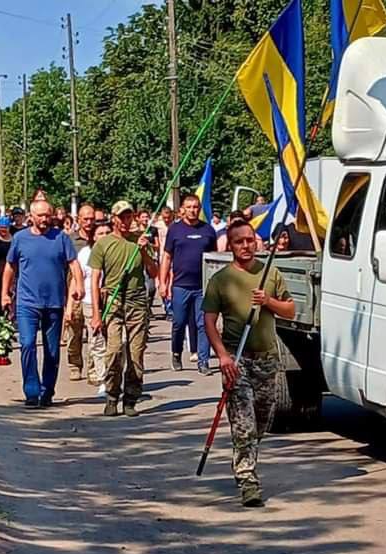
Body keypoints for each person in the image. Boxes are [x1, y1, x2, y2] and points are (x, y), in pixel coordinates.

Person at [203, 220, 295, 507]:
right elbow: (208, 320)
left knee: (261, 421)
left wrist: (268, 301)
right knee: (244, 425)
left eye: (249, 240)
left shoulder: (270, 274)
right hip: (237, 359)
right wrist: (222, 355)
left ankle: (246, 456)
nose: (245, 246)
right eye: (239, 241)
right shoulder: (221, 280)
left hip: (267, 359)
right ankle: (247, 480)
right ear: (230, 245)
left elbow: (290, 310)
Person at [2, 199, 85, 408]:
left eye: (48, 215)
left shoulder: (61, 238)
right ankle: (31, 391)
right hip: (26, 302)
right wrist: (5, 294)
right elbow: (10, 267)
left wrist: (78, 285)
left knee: (52, 350)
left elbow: (73, 264)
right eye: (40, 215)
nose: (44, 219)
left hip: (54, 302)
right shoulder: (20, 238)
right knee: (28, 344)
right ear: (32, 216)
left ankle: (47, 391)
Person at [88, 200, 158, 416]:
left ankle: (131, 398)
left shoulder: (140, 240)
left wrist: (145, 250)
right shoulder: (104, 243)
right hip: (113, 299)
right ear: (114, 219)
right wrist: (97, 314)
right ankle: (111, 395)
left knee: (136, 354)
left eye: (129, 217)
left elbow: (153, 272)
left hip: (136, 301)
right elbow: (95, 279)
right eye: (122, 217)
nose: (126, 221)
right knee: (115, 351)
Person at [160, 193, 218, 374]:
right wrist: (163, 282)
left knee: (204, 324)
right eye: (189, 207)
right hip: (180, 285)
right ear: (182, 210)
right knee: (178, 322)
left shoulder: (208, 230)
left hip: (203, 286)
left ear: (199, 209)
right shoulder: (175, 230)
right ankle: (176, 353)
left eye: (196, 207)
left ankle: (203, 361)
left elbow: (214, 258)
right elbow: (167, 257)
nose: (193, 210)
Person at [69, 208, 112, 392]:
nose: (104, 236)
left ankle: (97, 373)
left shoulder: (115, 250)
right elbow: (76, 278)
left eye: (107, 233)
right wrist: (69, 306)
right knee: (79, 335)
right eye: (100, 233)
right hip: (86, 299)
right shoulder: (84, 252)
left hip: (110, 300)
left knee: (100, 340)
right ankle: (76, 365)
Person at [65, 204, 99, 382]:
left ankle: (94, 369)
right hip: (74, 293)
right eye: (85, 219)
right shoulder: (70, 240)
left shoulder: (99, 239)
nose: (89, 222)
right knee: (74, 332)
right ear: (78, 220)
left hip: (94, 294)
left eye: (92, 219)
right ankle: (75, 364)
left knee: (95, 333)